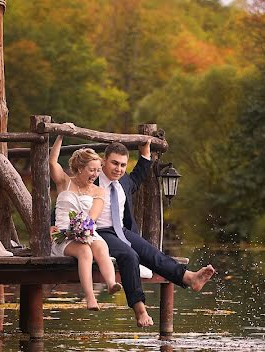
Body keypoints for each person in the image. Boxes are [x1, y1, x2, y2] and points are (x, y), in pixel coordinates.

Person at [95, 140, 216, 327]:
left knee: (153, 253)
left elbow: (136, 179)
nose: (118, 169)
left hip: (123, 231)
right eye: (114, 163)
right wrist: (55, 224)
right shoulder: (91, 178)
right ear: (104, 161)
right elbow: (69, 197)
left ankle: (189, 278)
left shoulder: (123, 181)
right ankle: (139, 308)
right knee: (129, 256)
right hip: (98, 232)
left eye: (122, 165)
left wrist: (145, 155)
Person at [49, 134, 121, 310]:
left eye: (98, 170)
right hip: (63, 236)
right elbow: (52, 162)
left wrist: (82, 230)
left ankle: (111, 283)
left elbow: (93, 217)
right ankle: (90, 298)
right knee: (85, 252)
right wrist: (60, 135)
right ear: (80, 168)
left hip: (86, 230)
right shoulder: (64, 182)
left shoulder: (99, 191)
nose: (95, 174)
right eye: (92, 170)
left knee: (101, 246)